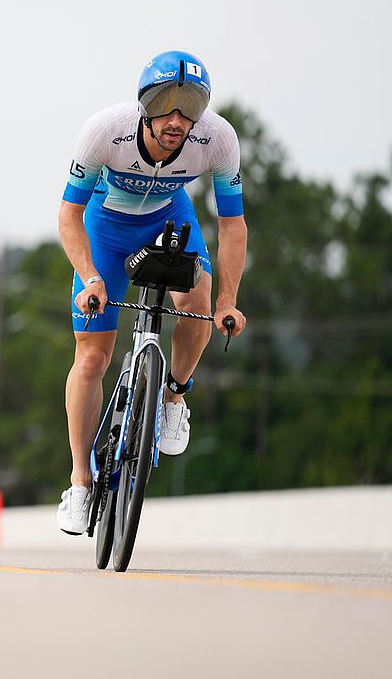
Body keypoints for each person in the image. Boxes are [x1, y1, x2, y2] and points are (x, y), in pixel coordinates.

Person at [56, 50, 248, 534]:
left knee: (198, 306)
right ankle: (80, 483)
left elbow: (233, 225)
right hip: (106, 228)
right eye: (166, 105)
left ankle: (174, 396)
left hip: (168, 218)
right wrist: (90, 277)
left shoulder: (218, 139)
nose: (177, 120)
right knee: (93, 358)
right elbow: (69, 216)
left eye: (190, 108)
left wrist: (228, 300)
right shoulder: (105, 131)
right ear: (145, 105)